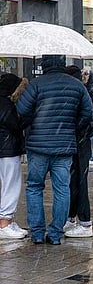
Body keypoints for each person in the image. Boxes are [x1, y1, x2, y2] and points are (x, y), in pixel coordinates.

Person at [16, 55, 93, 245]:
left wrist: (32, 126)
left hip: (38, 146)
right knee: (62, 189)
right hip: (64, 146)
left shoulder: (36, 85)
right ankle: (56, 233)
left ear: (44, 65)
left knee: (34, 187)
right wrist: (73, 129)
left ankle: (37, 233)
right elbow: (88, 114)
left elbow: (22, 111)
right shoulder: (77, 86)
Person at [64, 65, 93, 238]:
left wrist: (79, 132)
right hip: (78, 141)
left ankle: (84, 222)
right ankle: (71, 217)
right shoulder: (81, 91)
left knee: (78, 181)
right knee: (74, 181)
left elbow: (90, 118)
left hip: (79, 142)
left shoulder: (81, 93)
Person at [0, 73, 28, 239]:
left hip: (4, 148)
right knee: (11, 183)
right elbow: (13, 125)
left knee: (6, 183)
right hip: (7, 148)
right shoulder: (6, 104)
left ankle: (6, 221)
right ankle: (5, 222)